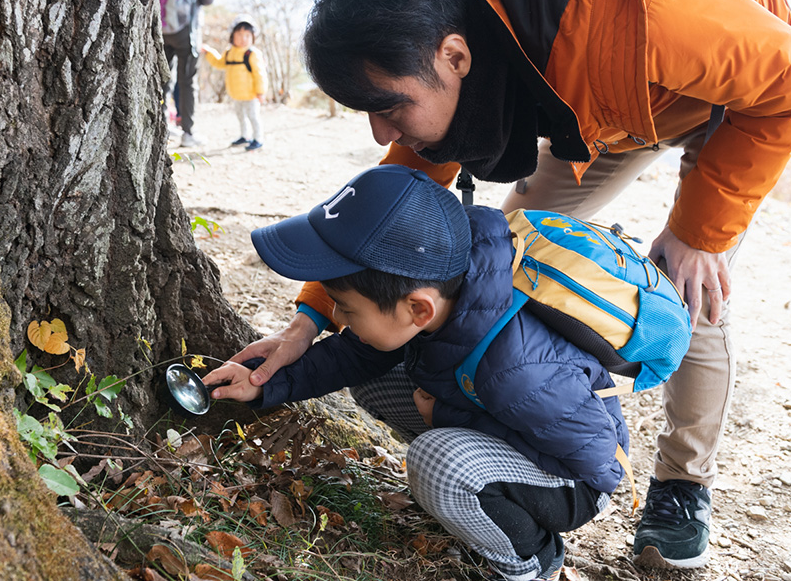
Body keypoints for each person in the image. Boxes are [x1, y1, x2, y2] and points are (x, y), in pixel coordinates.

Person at [220, 0, 791, 570]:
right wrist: (309, 320)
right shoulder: (454, 22)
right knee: (517, 253)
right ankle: (508, 443)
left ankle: (682, 485)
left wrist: (699, 231)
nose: (380, 132)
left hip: (731, 100)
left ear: (454, 56)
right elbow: (388, 219)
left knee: (693, 283)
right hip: (602, 110)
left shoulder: (653, 10)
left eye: (389, 106)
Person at [206, 164, 630, 581]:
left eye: (347, 309)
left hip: (574, 480)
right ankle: (473, 497)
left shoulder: (519, 369)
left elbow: (597, 462)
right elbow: (350, 358)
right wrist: (264, 383)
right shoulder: (439, 292)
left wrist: (446, 417)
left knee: (437, 461)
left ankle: (530, 561)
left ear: (418, 309)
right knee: (372, 378)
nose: (338, 318)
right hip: (507, 417)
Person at [158, 0, 213, 148]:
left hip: (161, 30)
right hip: (186, 30)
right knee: (187, 81)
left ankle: (161, 127)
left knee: (163, 78)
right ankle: (188, 133)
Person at [203, 15, 268, 151]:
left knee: (253, 117)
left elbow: (260, 74)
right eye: (239, 35)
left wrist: (261, 92)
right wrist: (209, 52)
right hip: (236, 94)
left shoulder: (252, 54)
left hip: (251, 95)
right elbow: (219, 63)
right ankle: (245, 136)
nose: (243, 39)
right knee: (240, 116)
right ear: (232, 36)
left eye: (247, 35)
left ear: (252, 37)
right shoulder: (229, 52)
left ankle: (258, 139)